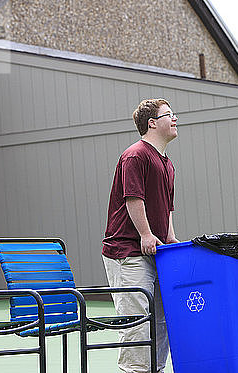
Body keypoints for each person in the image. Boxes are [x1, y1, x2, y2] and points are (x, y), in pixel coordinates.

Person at [102, 98, 178, 373]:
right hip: (128, 253)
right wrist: (146, 234)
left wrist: (170, 240)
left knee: (161, 320)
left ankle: (154, 369)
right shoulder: (136, 155)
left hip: (156, 254)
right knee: (137, 322)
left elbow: (166, 208)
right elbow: (134, 198)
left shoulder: (167, 164)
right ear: (152, 123)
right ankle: (135, 370)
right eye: (169, 115)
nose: (175, 119)